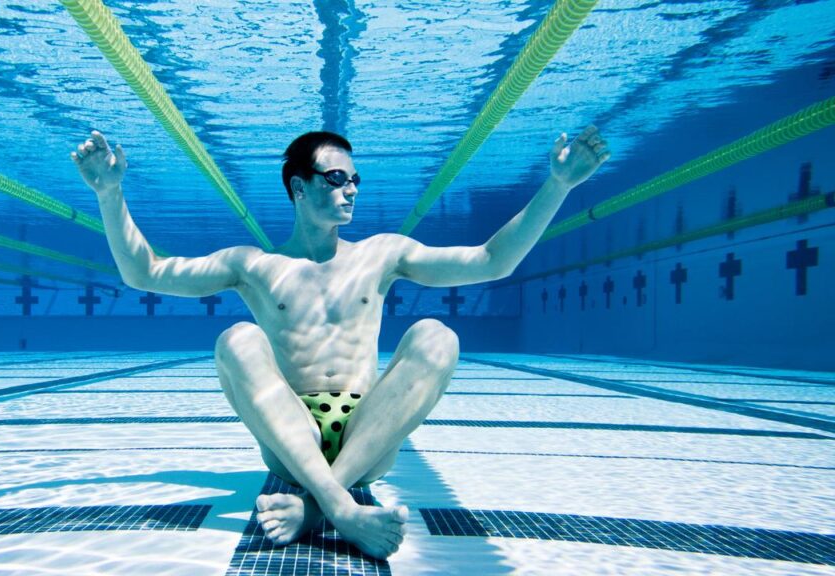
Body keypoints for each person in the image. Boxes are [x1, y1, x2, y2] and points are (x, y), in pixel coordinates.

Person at [72, 127, 609, 558]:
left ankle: (318, 506)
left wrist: (558, 186)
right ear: (298, 188)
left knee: (437, 336)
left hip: (368, 434)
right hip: (290, 434)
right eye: (335, 178)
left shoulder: (383, 253)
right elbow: (147, 272)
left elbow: (493, 261)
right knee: (236, 338)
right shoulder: (253, 266)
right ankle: (341, 506)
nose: (350, 189)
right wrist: (109, 193)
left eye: (355, 180)